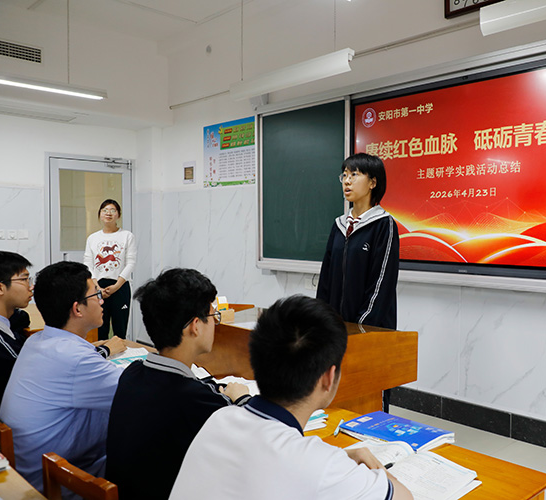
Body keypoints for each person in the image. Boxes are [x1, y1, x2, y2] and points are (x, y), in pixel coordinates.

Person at [169, 295, 413, 500]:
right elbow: (404, 497)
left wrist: (337, 459)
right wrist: (371, 470)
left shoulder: (218, 419)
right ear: (328, 378)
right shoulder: (321, 466)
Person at [106, 268, 251, 500]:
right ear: (195, 326)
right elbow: (257, 437)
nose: (215, 323)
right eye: (213, 316)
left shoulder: (132, 374)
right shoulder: (197, 401)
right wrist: (242, 398)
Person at [0, 261, 126, 493]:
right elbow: (136, 394)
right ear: (77, 309)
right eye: (96, 294)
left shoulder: (37, 341)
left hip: (32, 468)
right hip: (55, 484)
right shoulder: (76, 359)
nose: (102, 301)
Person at [317, 153, 400, 329]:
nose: (347, 181)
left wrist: (361, 326)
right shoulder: (339, 225)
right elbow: (326, 279)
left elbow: (381, 284)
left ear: (372, 183)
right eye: (344, 175)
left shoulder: (383, 224)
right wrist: (322, 319)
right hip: (336, 329)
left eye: (354, 175)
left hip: (370, 330)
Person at [83, 199, 137, 340]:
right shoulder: (93, 238)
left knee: (120, 329)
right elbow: (88, 264)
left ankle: (120, 353)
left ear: (118, 215)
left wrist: (117, 286)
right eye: (105, 210)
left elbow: (130, 263)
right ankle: (101, 353)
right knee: (100, 328)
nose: (109, 213)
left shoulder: (127, 236)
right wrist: (97, 287)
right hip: (98, 287)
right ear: (100, 214)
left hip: (120, 286)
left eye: (113, 210)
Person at [0, 251, 33, 415]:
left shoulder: (9, 320)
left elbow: (21, 318)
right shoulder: (1, 346)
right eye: (24, 280)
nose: (31, 286)